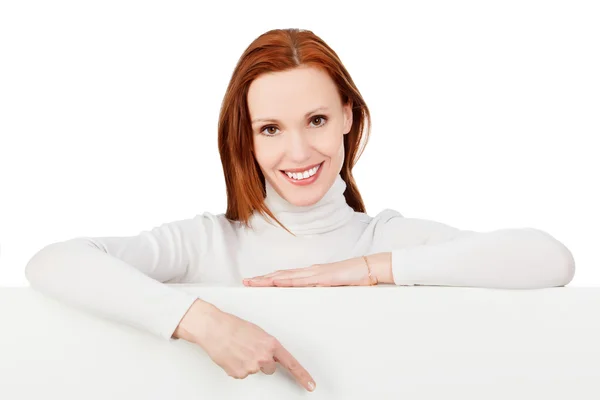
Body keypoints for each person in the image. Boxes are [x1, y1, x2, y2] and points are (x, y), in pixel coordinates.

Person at [24, 28, 575, 393]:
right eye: (270, 129)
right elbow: (54, 262)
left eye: (315, 120)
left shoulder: (388, 238)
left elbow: (548, 259)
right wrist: (203, 323)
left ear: (347, 118)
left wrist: (363, 270)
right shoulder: (206, 243)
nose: (297, 153)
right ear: (248, 140)